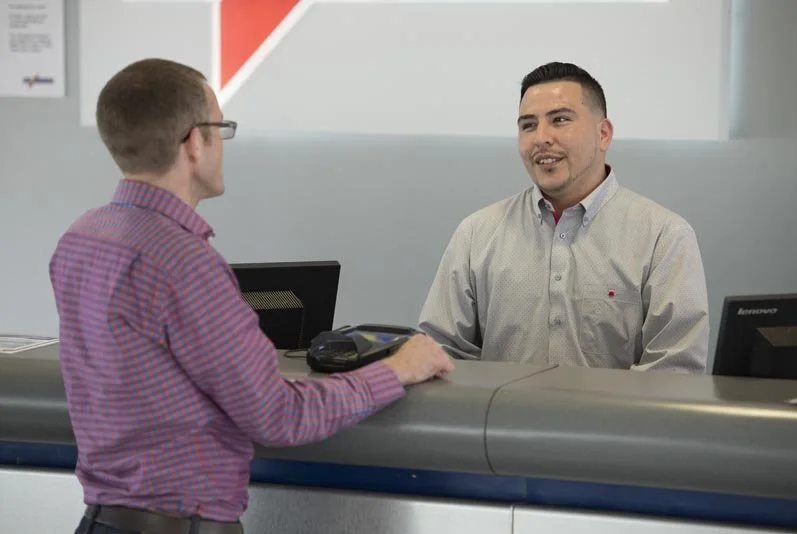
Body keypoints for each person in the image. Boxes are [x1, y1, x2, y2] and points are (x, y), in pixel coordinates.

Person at [49, 58, 454, 534]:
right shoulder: (185, 263)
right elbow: (279, 416)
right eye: (222, 129)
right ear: (196, 142)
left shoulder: (81, 238)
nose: (223, 143)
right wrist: (397, 370)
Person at [418, 62, 709, 373]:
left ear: (603, 134)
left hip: (612, 423)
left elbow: (674, 372)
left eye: (559, 120)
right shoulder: (476, 234)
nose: (541, 138)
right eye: (528, 125)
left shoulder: (663, 237)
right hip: (502, 421)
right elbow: (439, 355)